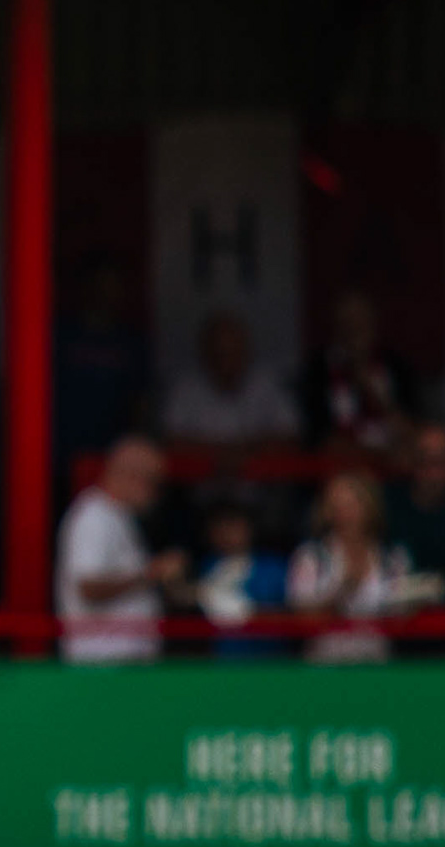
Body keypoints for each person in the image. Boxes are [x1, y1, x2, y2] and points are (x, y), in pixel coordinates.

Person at [57, 437, 183, 665]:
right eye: (155, 483)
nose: (157, 495)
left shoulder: (117, 516)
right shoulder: (93, 516)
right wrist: (151, 573)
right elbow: (88, 588)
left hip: (124, 666)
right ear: (130, 475)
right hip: (102, 666)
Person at [288, 470, 429, 664]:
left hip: (377, 667)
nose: (344, 514)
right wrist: (342, 592)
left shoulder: (393, 557)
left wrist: (415, 596)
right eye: (336, 506)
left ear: (370, 507)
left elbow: (403, 617)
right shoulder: (311, 557)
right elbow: (301, 620)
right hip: (325, 667)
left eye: (352, 505)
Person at [53, 254, 153, 467]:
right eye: (101, 284)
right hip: (64, 449)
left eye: (113, 286)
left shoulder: (131, 341)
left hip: (112, 452)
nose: (106, 293)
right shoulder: (61, 335)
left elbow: (141, 402)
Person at [159, 310, 302, 450]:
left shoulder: (268, 383)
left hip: (257, 473)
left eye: (233, 352)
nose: (226, 362)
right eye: (220, 353)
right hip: (204, 474)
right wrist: (225, 454)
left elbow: (290, 436)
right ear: (205, 353)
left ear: (247, 351)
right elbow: (172, 441)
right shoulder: (185, 388)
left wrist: (238, 453)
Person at [310, 290, 419, 454]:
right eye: (347, 322)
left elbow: (415, 433)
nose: (354, 330)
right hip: (342, 469)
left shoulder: (397, 368)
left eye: (361, 320)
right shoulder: (317, 372)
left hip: (394, 470)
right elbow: (318, 438)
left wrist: (373, 392)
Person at [188, 497, 289, 662]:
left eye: (232, 525)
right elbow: (188, 598)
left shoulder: (273, 566)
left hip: (268, 663)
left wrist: (245, 611)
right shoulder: (206, 566)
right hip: (222, 666)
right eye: (218, 527)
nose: (225, 533)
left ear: (249, 528)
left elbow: (291, 613)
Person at [387, 422, 445, 588]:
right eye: (423, 461)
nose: (432, 472)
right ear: (411, 462)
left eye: (439, 462)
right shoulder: (388, 506)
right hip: (395, 607)